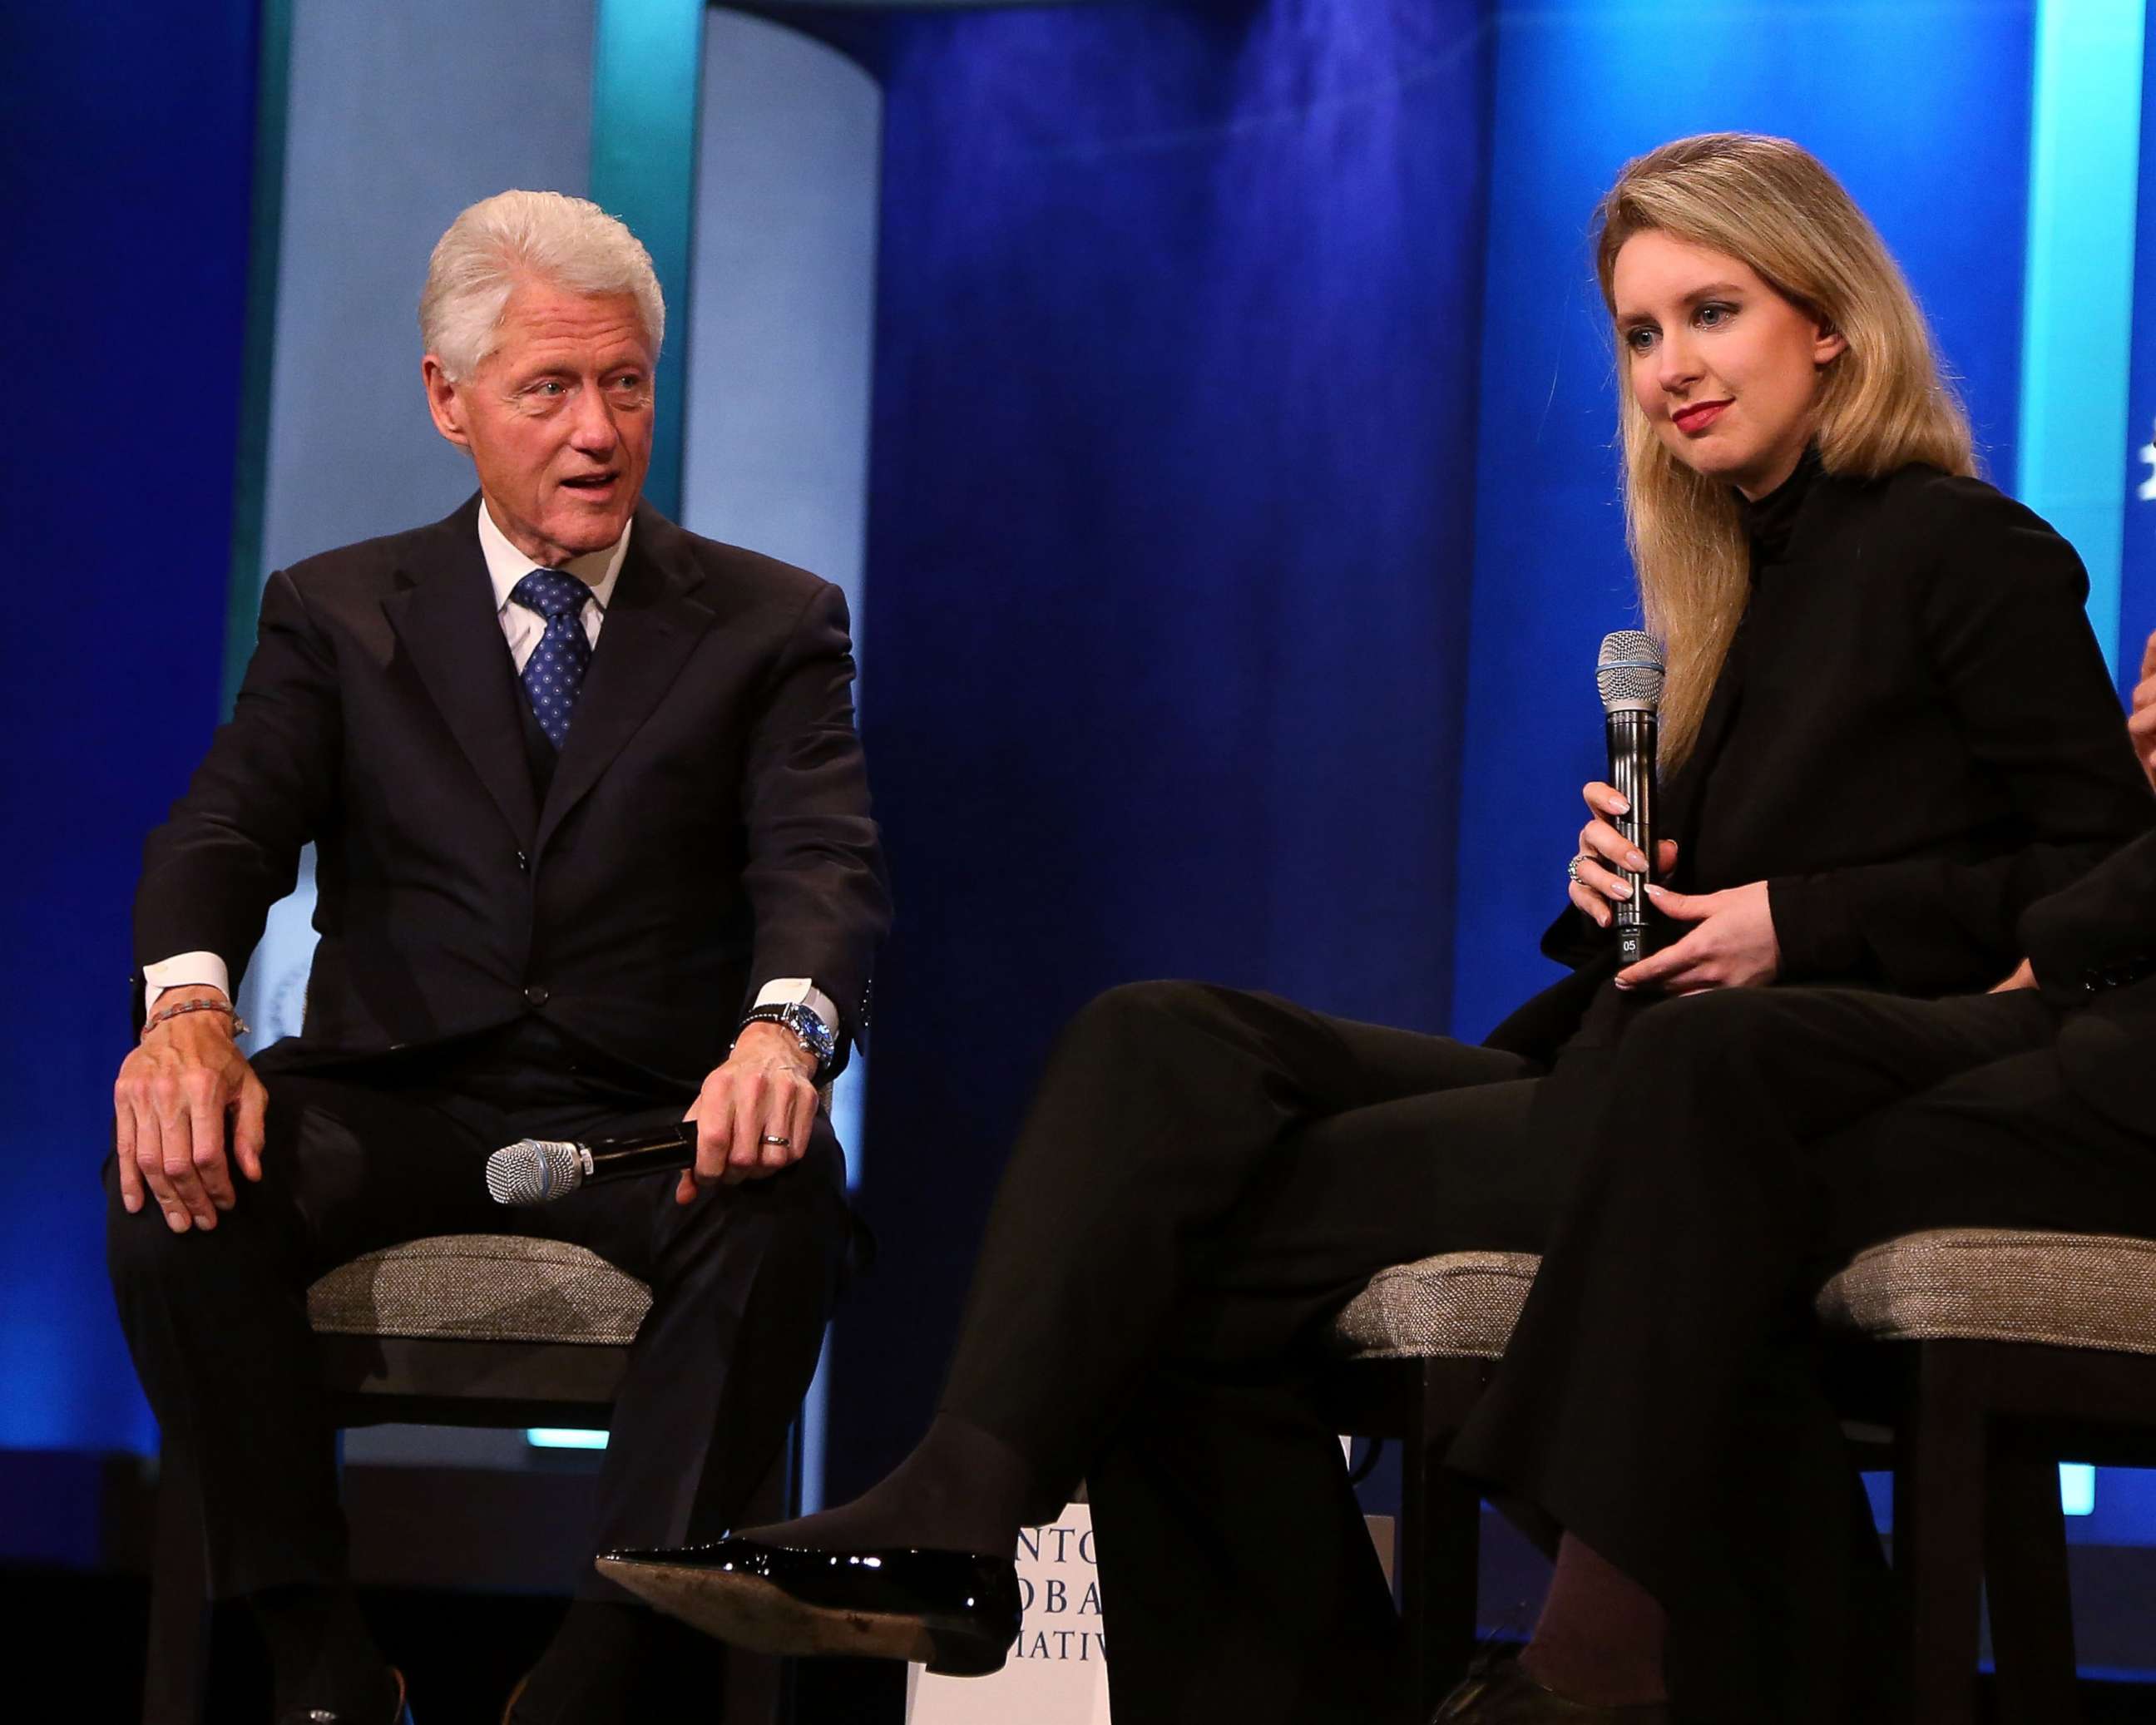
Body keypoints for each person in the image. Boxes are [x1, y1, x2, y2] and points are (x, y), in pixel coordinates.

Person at [602, 134, 2153, 1725]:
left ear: (1828, 319)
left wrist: (1795, 918)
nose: (1671, 368)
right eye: (1639, 334)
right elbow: (1745, 896)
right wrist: (1619, 896)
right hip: (1637, 1062)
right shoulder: (1728, 584)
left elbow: (2093, 875)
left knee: (1171, 1266)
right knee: (1161, 1040)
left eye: (1713, 314)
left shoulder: (1968, 549)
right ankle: (958, 1500)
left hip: (1756, 1112)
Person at [106, 190, 889, 1725]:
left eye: (628, 384)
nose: (598, 430)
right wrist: (188, 1007)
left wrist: (783, 1035)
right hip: (389, 1101)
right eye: (550, 388)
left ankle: (601, 1667)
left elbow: (825, 865)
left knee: (789, 1210)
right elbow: (221, 834)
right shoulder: (337, 614)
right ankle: (319, 1655)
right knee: (170, 1197)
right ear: (448, 400)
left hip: (653, 1117)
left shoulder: (770, 620)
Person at [1437, 646, 2156, 1723]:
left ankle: (1598, 1658)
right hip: (2055, 1003)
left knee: (1708, 1161)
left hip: (2118, 1066)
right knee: (1697, 1066)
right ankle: (1716, 1663)